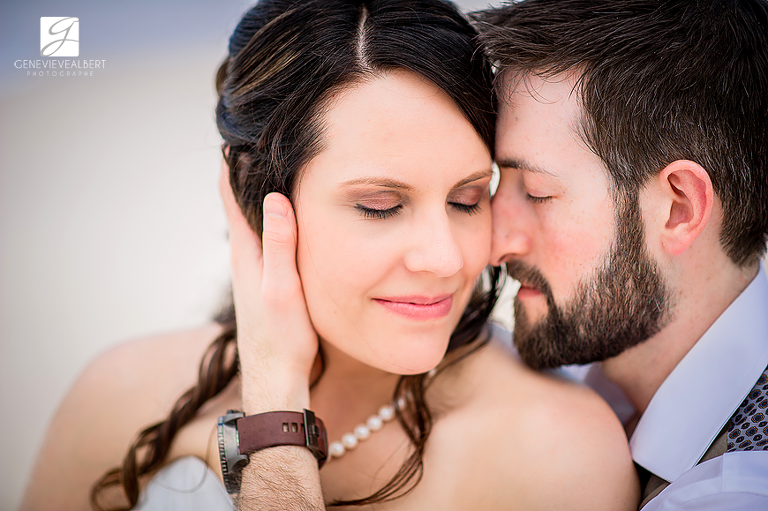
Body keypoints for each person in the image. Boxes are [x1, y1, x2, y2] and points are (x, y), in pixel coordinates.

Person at [19, 1, 638, 510]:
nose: (446, 258)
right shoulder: (122, 394)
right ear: (253, 197)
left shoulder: (556, 451)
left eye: (469, 199)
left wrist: (276, 422)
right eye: (378, 206)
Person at [474, 0, 768, 509]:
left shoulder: (739, 492)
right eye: (499, 182)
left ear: (678, 208)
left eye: (538, 192)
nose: (495, 242)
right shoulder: (591, 369)